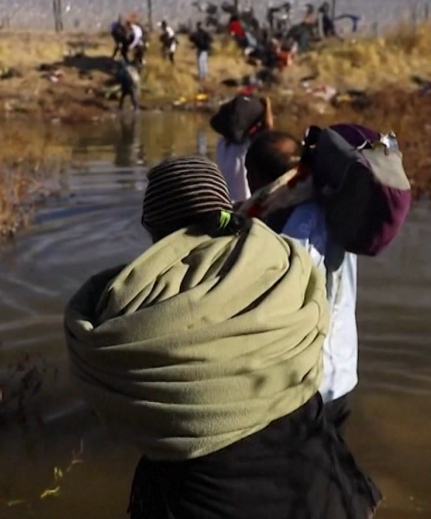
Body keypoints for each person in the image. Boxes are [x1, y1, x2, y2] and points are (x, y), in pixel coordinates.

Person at [64, 156, 381, 519]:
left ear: (151, 228)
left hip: (211, 501)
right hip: (327, 486)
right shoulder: (282, 265)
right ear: (225, 208)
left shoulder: (128, 307)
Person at [244, 131, 360, 431]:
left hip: (306, 387)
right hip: (344, 374)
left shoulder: (287, 230)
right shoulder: (334, 208)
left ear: (255, 176)